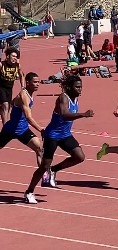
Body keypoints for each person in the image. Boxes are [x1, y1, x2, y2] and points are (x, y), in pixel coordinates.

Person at [25, 75, 94, 204]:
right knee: (43, 166)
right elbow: (65, 115)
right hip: (52, 136)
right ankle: (29, 191)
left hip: (65, 135)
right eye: (77, 87)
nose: (80, 90)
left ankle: (54, 170)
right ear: (69, 87)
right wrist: (83, 114)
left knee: (79, 157)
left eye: (81, 87)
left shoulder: (75, 98)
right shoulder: (63, 97)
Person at [0, 72, 43, 169]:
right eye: (35, 82)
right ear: (28, 83)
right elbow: (28, 117)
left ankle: (44, 176)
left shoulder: (26, 93)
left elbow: (13, 102)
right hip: (10, 129)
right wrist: (41, 130)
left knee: (40, 148)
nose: (38, 84)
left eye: (38, 82)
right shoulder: (24, 96)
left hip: (22, 130)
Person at [0, 47, 25, 125]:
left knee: (7, 108)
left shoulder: (17, 66)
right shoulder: (1, 64)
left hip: (9, 88)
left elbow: (21, 75)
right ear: (8, 56)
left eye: (16, 57)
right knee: (5, 105)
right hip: (1, 87)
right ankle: (5, 127)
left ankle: (5, 123)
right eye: (13, 56)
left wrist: (23, 86)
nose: (15, 58)